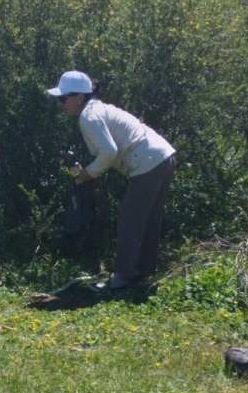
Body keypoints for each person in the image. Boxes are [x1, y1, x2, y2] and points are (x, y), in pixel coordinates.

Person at [45, 70, 177, 291]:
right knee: (149, 219)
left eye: (63, 98)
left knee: (129, 219)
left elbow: (109, 152)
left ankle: (123, 279)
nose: (61, 104)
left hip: (149, 162)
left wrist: (87, 174)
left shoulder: (88, 116)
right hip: (163, 157)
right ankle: (142, 274)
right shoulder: (96, 111)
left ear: (79, 98)